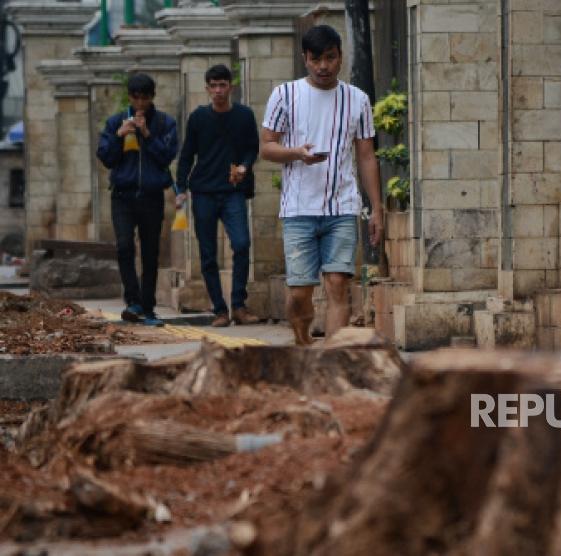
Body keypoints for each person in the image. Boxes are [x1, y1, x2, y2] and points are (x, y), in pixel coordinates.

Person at [260, 25, 383, 345]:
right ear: (305, 59)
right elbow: (267, 147)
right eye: (316, 59)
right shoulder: (284, 95)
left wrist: (376, 209)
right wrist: (296, 153)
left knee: (338, 284)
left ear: (341, 57)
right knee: (300, 292)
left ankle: (332, 358)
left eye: (330, 58)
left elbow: (367, 156)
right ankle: (303, 343)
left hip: (341, 206)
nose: (323, 66)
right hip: (299, 209)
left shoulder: (357, 100)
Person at [175, 64, 261, 327]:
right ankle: (219, 310)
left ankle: (238, 304)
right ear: (207, 89)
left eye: (223, 85)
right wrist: (180, 189)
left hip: (233, 190)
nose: (218, 91)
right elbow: (187, 154)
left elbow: (252, 147)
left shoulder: (244, 115)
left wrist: (245, 166)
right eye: (213, 86)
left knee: (242, 244)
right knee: (208, 253)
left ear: (230, 87)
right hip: (203, 192)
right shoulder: (198, 118)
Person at [97, 73, 177, 327]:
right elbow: (106, 158)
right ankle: (133, 301)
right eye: (136, 98)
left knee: (151, 252)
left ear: (152, 97)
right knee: (124, 246)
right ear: (130, 97)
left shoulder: (165, 122)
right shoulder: (114, 122)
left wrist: (147, 134)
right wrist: (120, 135)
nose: (140, 103)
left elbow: (166, 156)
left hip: (152, 195)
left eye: (145, 98)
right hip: (122, 195)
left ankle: (148, 306)